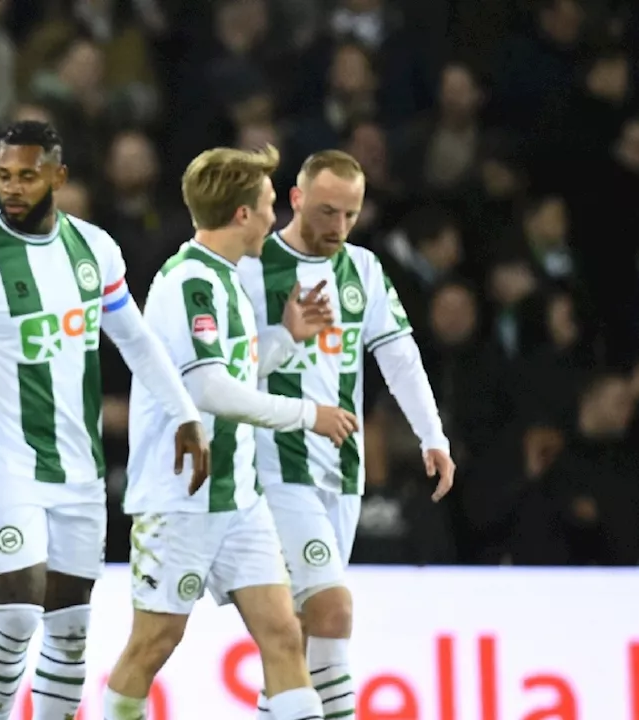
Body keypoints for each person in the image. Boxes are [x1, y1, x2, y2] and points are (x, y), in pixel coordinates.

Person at [0, 120, 211, 720]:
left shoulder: (94, 250)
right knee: (17, 613)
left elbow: (136, 340)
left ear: (58, 177)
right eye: (4, 176)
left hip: (78, 470)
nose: (12, 188)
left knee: (69, 633)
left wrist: (185, 415)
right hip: (2, 467)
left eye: (27, 175)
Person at [103, 145, 358, 720]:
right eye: (269, 204)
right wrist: (305, 413)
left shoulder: (227, 279)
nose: (276, 216)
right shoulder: (190, 283)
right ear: (242, 214)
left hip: (239, 499)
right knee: (153, 644)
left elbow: (235, 371)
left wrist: (286, 336)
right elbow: (210, 391)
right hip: (181, 499)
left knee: (283, 635)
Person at [237, 149, 456, 720]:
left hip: (344, 469)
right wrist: (284, 334)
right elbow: (228, 373)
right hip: (277, 469)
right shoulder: (252, 266)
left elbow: (400, 357)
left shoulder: (362, 269)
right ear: (297, 198)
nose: (338, 227)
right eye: (327, 211)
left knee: (307, 632)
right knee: (332, 613)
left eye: (350, 215)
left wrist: (432, 435)